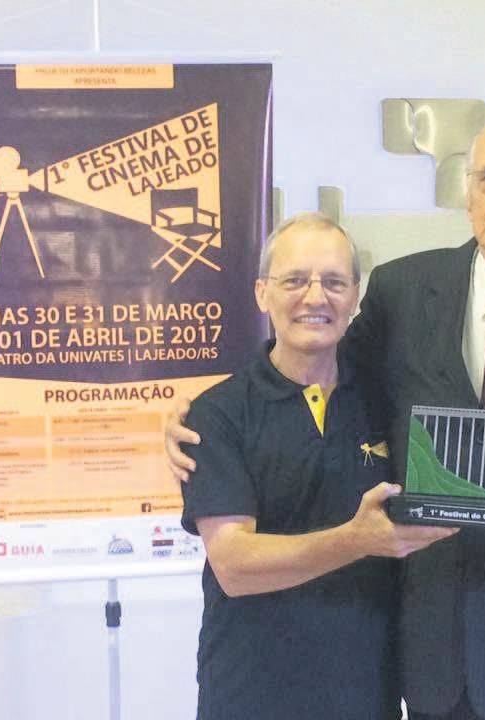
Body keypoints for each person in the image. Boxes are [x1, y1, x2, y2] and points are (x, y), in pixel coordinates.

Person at [168, 109, 485, 720]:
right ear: (468, 195)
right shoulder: (403, 292)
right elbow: (314, 363)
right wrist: (206, 411)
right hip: (434, 664)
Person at [179, 212, 454, 720]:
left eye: (333, 282)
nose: (314, 297)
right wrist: (356, 540)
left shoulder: (389, 403)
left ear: (354, 298)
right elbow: (234, 566)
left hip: (366, 695)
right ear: (262, 293)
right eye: (294, 281)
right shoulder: (217, 414)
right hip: (250, 695)